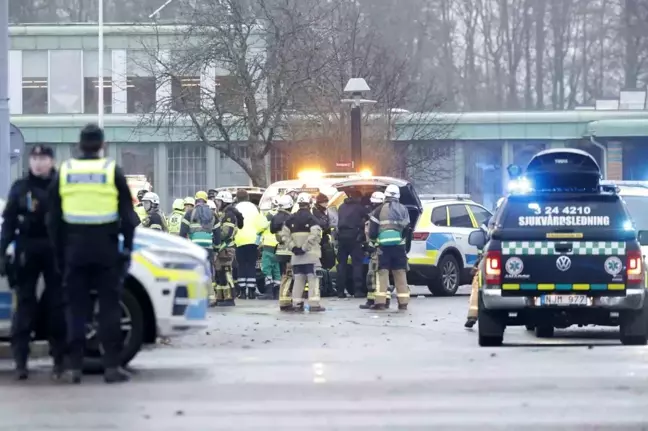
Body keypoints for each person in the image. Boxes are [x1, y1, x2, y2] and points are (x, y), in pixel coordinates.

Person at [49, 124, 136, 384]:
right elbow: (129, 217)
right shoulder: (111, 171)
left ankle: (74, 368)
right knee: (108, 308)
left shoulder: (65, 171)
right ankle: (111, 367)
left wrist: (60, 252)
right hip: (106, 249)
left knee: (76, 309)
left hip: (74, 249)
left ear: (79, 144)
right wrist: (127, 248)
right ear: (101, 145)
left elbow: (53, 219)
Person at [0, 145, 67, 381]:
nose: (39, 163)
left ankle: (59, 360)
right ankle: (21, 362)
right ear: (30, 162)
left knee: (57, 306)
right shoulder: (21, 187)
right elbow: (8, 221)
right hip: (26, 249)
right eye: (35, 158)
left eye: (44, 158)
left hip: (54, 248)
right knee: (25, 305)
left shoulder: (61, 186)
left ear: (51, 161)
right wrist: (1, 252)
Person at [367, 184, 411, 311]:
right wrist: (402, 240)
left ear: (385, 195)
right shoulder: (403, 209)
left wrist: (373, 242)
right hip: (399, 247)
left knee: (382, 273)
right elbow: (407, 228)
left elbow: (373, 231)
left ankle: (380, 303)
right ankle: (403, 303)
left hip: (383, 247)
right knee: (400, 273)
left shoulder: (379, 210)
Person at [280, 193, 325, 312]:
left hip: (296, 258)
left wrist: (294, 248)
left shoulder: (290, 219)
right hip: (311, 256)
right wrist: (304, 248)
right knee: (313, 280)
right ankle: (314, 304)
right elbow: (314, 235)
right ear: (309, 204)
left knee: (298, 280)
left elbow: (284, 236)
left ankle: (297, 304)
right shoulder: (312, 219)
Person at [359, 191, 391, 310]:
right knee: (375, 275)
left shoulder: (378, 217)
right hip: (376, 249)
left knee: (375, 275)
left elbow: (373, 233)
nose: (373, 206)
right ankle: (374, 299)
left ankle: (380, 300)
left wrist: (372, 245)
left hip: (378, 249)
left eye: (375, 203)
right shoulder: (376, 216)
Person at [335, 189, 368, 298]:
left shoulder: (341, 207)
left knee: (342, 265)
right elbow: (368, 218)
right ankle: (358, 291)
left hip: (341, 238)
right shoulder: (359, 208)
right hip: (354, 238)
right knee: (357, 265)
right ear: (357, 198)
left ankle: (340, 291)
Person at [213, 190, 243, 306]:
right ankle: (221, 298)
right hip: (222, 248)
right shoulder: (224, 213)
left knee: (226, 272)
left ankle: (230, 297)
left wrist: (215, 235)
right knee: (220, 273)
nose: (217, 203)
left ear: (224, 201)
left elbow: (226, 233)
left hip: (226, 248)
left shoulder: (229, 215)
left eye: (219, 201)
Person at [234, 189, 260, 299]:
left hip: (239, 240)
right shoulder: (255, 208)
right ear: (247, 197)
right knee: (251, 265)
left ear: (237, 198)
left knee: (241, 265)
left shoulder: (235, 208)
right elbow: (260, 223)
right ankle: (251, 291)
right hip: (253, 240)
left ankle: (242, 291)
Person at [271, 195, 295, 310]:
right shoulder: (290, 218)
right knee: (289, 277)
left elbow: (272, 230)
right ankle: (285, 302)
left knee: (284, 276)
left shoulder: (275, 217)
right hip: (289, 252)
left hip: (280, 252)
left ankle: (284, 299)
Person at [255, 200, 280, 300]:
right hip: (279, 246)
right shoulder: (281, 215)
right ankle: (277, 292)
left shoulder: (268, 216)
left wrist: (257, 244)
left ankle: (269, 292)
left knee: (267, 269)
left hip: (269, 246)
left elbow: (260, 228)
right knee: (276, 269)